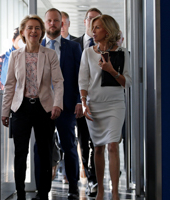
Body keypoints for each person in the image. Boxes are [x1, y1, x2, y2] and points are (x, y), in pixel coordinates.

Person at [1, 14, 64, 200]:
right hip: (20, 108)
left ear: (41, 32)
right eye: (30, 28)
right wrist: (5, 111)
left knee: (45, 152)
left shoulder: (50, 54)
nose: (33, 31)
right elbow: (10, 85)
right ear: (23, 32)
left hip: (44, 108)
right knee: (20, 152)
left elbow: (59, 82)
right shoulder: (15, 55)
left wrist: (57, 104)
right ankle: (20, 193)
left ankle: (43, 193)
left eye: (37, 28)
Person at [78, 14, 132, 200]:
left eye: (98, 28)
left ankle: (115, 193)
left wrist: (111, 70)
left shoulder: (123, 53)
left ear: (108, 31)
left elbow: (127, 82)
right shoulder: (87, 53)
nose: (93, 31)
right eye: (93, 28)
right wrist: (84, 104)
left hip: (115, 105)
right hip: (94, 105)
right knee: (98, 148)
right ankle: (100, 190)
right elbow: (83, 81)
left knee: (112, 146)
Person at [33, 8, 82, 200]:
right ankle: (41, 190)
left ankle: (73, 188)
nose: (52, 24)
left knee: (68, 146)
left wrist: (79, 100)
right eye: (49, 21)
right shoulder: (37, 47)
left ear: (62, 24)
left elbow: (80, 77)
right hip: (42, 108)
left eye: (56, 21)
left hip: (67, 107)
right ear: (45, 24)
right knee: (40, 147)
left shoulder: (73, 48)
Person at [72, 7, 102, 197]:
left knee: (97, 142)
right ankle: (90, 178)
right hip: (79, 102)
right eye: (90, 19)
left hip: (100, 101)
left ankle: (96, 179)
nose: (92, 22)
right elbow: (70, 76)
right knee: (84, 142)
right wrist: (78, 100)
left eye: (97, 20)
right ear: (84, 21)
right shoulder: (73, 45)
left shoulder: (105, 46)